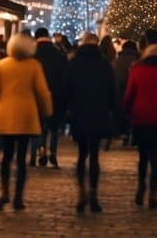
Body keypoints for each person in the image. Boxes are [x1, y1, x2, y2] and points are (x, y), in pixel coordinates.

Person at [0, 33, 53, 212]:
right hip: (26, 115)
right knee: (22, 159)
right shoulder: (34, 66)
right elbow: (42, 92)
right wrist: (47, 112)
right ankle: (18, 197)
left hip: (5, 114)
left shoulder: (1, 65)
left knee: (6, 157)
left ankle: (4, 192)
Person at [60, 32, 115, 214]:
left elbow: (65, 91)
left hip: (80, 114)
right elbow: (112, 93)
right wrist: (115, 117)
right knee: (94, 156)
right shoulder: (104, 65)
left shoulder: (74, 64)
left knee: (82, 155)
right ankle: (93, 192)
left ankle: (82, 192)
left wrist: (65, 112)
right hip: (99, 114)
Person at [124, 35, 157, 209]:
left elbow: (130, 93)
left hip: (140, 116)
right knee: (155, 158)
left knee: (142, 157)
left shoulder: (137, 69)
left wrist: (127, 110)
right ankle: (153, 194)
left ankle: (141, 187)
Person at [31, 28, 67, 168]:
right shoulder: (58, 55)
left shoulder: (32, 55)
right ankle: (53, 153)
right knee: (54, 128)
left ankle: (38, 153)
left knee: (38, 127)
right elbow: (64, 79)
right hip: (55, 96)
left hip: (36, 96)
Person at [113, 39, 140, 145]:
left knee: (123, 112)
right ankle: (132, 134)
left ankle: (124, 134)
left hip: (121, 91)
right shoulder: (138, 60)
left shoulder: (119, 60)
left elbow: (117, 77)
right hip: (135, 92)